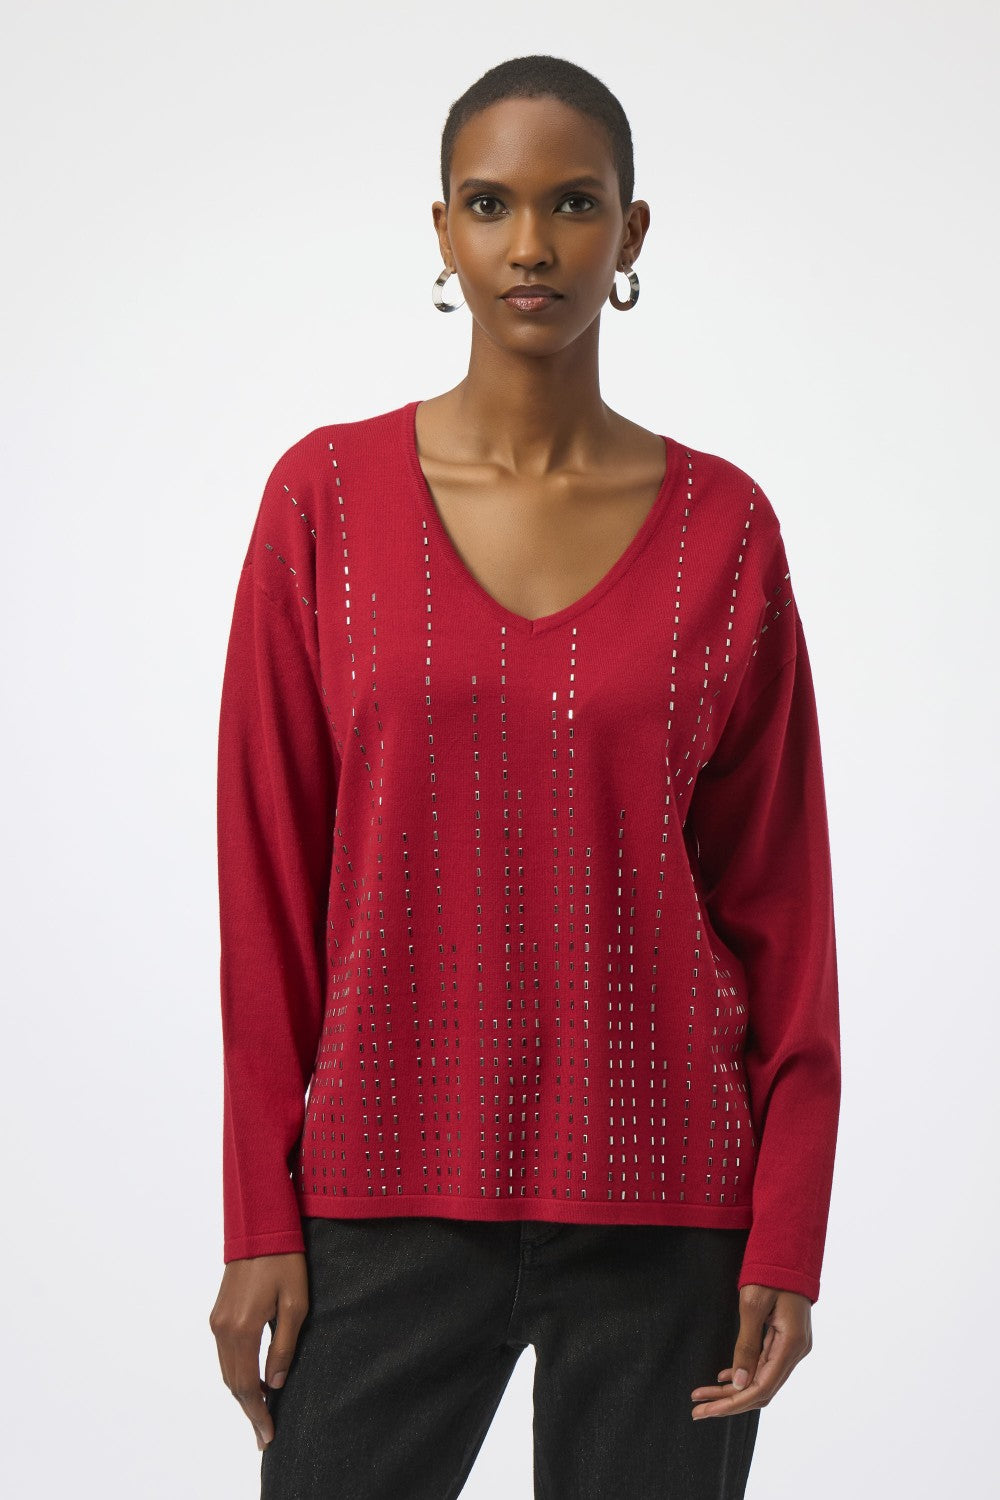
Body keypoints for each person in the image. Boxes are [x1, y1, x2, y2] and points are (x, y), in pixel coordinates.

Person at [208, 53, 841, 1500]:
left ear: (632, 232)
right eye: (491, 204)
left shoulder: (727, 530)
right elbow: (266, 884)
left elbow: (782, 912)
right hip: (379, 1190)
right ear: (441, 230)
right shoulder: (322, 502)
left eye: (575, 203)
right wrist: (258, 1214)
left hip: (670, 1202)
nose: (533, 244)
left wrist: (791, 1227)